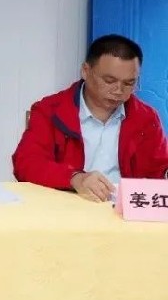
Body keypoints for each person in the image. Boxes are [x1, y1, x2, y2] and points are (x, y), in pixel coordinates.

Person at [12, 34, 168, 201]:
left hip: (125, 210)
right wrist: (75, 179)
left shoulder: (146, 118)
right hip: (68, 205)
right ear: (85, 71)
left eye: (129, 83)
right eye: (109, 80)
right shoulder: (50, 111)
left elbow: (158, 170)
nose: (118, 90)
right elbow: (27, 163)